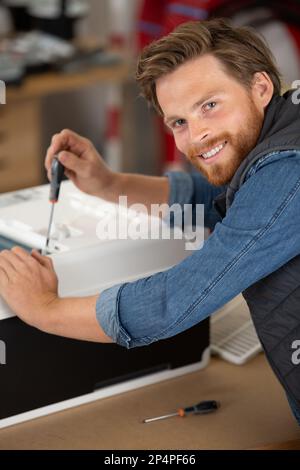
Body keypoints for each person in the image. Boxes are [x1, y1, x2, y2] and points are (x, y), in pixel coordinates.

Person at [0, 18, 300, 425]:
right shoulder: (284, 126)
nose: (197, 136)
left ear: (260, 87)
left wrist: (44, 310)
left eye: (210, 105)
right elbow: (225, 198)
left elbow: (176, 297)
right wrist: (109, 183)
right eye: (179, 122)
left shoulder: (288, 171)